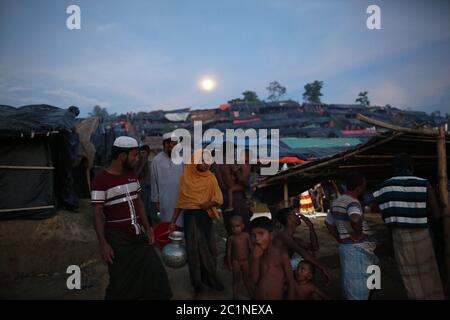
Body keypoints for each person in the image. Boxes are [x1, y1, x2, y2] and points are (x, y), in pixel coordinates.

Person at [91, 136, 172, 300]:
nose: (137, 158)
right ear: (122, 157)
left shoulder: (131, 175)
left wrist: (148, 227)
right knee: (121, 285)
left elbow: (139, 202)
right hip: (118, 241)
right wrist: (103, 244)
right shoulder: (100, 180)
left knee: (156, 278)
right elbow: (98, 213)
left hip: (139, 237)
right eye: (134, 155)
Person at [372, 153, 444, 300]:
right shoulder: (423, 183)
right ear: (411, 167)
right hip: (422, 235)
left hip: (400, 236)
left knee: (409, 274)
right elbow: (437, 214)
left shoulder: (383, 187)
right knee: (428, 272)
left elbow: (379, 212)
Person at [169, 149, 224, 293]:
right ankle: (197, 283)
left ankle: (211, 279)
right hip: (190, 218)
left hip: (204, 218)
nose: (206, 164)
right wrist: (172, 221)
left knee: (209, 249)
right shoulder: (185, 178)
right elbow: (180, 202)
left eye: (208, 161)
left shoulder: (211, 178)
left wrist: (209, 204)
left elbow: (218, 199)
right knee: (193, 250)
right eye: (202, 161)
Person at [325, 172, 378, 300]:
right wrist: (358, 233)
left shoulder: (337, 201)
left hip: (349, 249)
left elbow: (328, 223)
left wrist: (339, 238)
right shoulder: (353, 202)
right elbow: (354, 219)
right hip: (358, 250)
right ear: (359, 187)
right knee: (360, 286)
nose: (366, 187)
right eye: (364, 185)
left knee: (356, 282)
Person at [273, 207, 330, 283]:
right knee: (307, 259)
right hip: (277, 270)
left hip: (286, 268)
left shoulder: (295, 239)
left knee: (310, 255)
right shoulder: (283, 236)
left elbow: (315, 247)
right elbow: (303, 253)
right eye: (295, 214)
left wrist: (311, 226)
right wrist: (322, 267)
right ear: (290, 218)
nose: (299, 216)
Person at [249, 216, 295, 300]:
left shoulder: (281, 255)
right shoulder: (254, 256)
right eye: (253, 235)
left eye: (261, 234)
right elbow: (254, 280)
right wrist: (256, 259)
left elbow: (291, 282)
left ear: (271, 235)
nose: (257, 239)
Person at [151, 132, 184, 226]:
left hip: (180, 199)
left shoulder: (181, 159)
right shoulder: (157, 160)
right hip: (164, 200)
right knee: (167, 226)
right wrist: (156, 201)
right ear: (166, 144)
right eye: (174, 144)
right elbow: (154, 183)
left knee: (181, 226)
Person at [226, 215, 253, 299]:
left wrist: (254, 259)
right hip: (235, 262)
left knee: (247, 279)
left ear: (242, 226)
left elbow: (251, 248)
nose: (235, 229)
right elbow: (229, 251)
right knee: (235, 280)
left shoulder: (246, 236)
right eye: (232, 227)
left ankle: (251, 294)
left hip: (245, 261)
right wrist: (229, 263)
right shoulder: (231, 238)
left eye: (237, 226)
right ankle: (235, 296)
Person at [135, 144, 159, 225]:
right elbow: (135, 177)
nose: (142, 155)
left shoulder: (151, 164)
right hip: (140, 192)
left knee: (152, 215)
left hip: (150, 192)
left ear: (148, 153)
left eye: (143, 153)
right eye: (140, 153)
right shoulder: (136, 165)